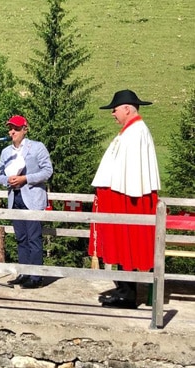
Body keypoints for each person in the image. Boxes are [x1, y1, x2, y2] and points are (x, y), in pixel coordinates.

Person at [89, 89, 161, 309]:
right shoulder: (130, 131)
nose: (113, 113)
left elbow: (132, 172)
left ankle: (127, 295)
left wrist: (119, 190)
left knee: (127, 244)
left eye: (115, 109)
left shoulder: (136, 132)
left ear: (127, 108)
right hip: (120, 196)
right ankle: (123, 290)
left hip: (127, 198)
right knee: (121, 244)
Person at [0, 115, 53, 289]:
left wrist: (25, 179)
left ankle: (36, 277)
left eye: (16, 128)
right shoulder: (6, 152)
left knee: (33, 237)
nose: (12, 132)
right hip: (15, 197)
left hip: (33, 198)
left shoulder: (37, 147)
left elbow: (47, 171)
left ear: (24, 129)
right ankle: (24, 273)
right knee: (21, 237)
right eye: (10, 128)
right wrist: (8, 180)